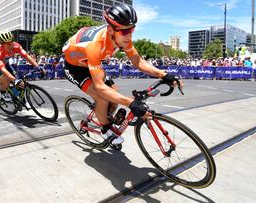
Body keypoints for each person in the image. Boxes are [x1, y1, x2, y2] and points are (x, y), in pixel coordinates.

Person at [62, 3, 182, 145]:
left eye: (132, 30)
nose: (129, 36)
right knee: (102, 97)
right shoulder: (95, 45)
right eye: (125, 32)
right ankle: (105, 129)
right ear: (111, 30)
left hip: (91, 62)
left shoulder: (123, 38)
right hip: (75, 66)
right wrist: (131, 103)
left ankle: (103, 116)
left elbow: (137, 61)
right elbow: (100, 87)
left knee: (114, 93)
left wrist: (163, 74)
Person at [0, 31, 41, 101]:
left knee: (17, 78)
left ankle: (15, 94)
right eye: (8, 44)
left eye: (11, 42)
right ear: (2, 44)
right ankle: (3, 93)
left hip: (5, 63)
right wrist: (15, 80)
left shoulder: (16, 46)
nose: (11, 45)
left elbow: (27, 56)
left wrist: (37, 66)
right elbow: (3, 69)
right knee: (6, 79)